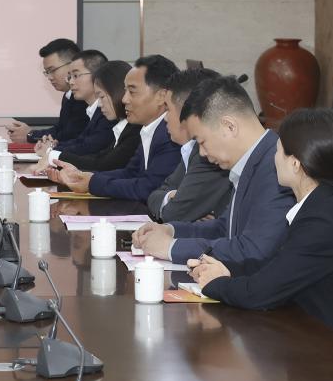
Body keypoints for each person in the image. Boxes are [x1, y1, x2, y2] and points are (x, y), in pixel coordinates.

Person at [190, 108, 333, 365]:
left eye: (278, 151)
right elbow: (277, 267)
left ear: (295, 163)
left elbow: (261, 293)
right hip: (326, 347)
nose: (274, 159)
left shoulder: (323, 220)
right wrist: (226, 269)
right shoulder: (323, 203)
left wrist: (214, 284)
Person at [132, 76, 295, 266]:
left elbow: (254, 250)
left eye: (202, 141)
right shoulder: (255, 158)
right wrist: (171, 230)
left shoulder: (277, 166)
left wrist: (171, 247)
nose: (202, 153)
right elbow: (224, 228)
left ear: (229, 126)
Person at [44, 55, 179, 200]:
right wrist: (82, 177)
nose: (124, 99)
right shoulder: (149, 129)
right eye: (125, 91)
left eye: (132, 91)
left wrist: (91, 183)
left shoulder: (170, 134)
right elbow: (130, 172)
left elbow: (148, 188)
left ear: (161, 96)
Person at [148, 68, 232, 223]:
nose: (165, 118)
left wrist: (176, 202)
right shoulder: (193, 148)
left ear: (188, 111)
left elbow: (173, 214)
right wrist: (171, 196)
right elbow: (156, 194)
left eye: (168, 109)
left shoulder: (209, 154)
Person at [38, 59, 137, 174]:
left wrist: (53, 154)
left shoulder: (135, 130)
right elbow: (99, 157)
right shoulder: (123, 126)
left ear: (117, 91)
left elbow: (102, 164)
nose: (99, 104)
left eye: (102, 97)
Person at [17, 39, 83, 145]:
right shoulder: (68, 95)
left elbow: (68, 136)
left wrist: (30, 135)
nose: (50, 77)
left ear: (73, 65)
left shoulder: (84, 97)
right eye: (47, 72)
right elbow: (60, 129)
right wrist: (31, 133)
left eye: (52, 70)